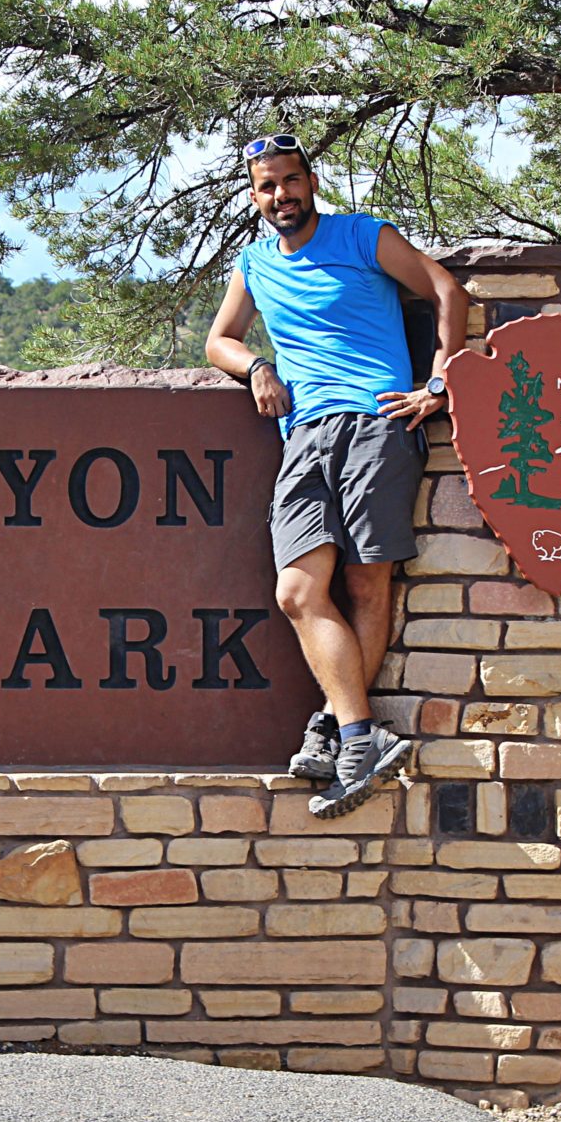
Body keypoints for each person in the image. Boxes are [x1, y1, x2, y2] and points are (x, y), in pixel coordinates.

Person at [205, 134, 468, 818]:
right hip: (306, 434)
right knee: (296, 590)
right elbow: (218, 339)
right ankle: (358, 733)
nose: (280, 195)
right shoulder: (256, 263)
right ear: (254, 195)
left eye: (290, 181)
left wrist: (440, 381)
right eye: (267, 186)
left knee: (364, 580)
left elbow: (446, 290)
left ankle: (340, 731)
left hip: (378, 422)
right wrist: (257, 367)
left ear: (310, 181)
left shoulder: (362, 236)